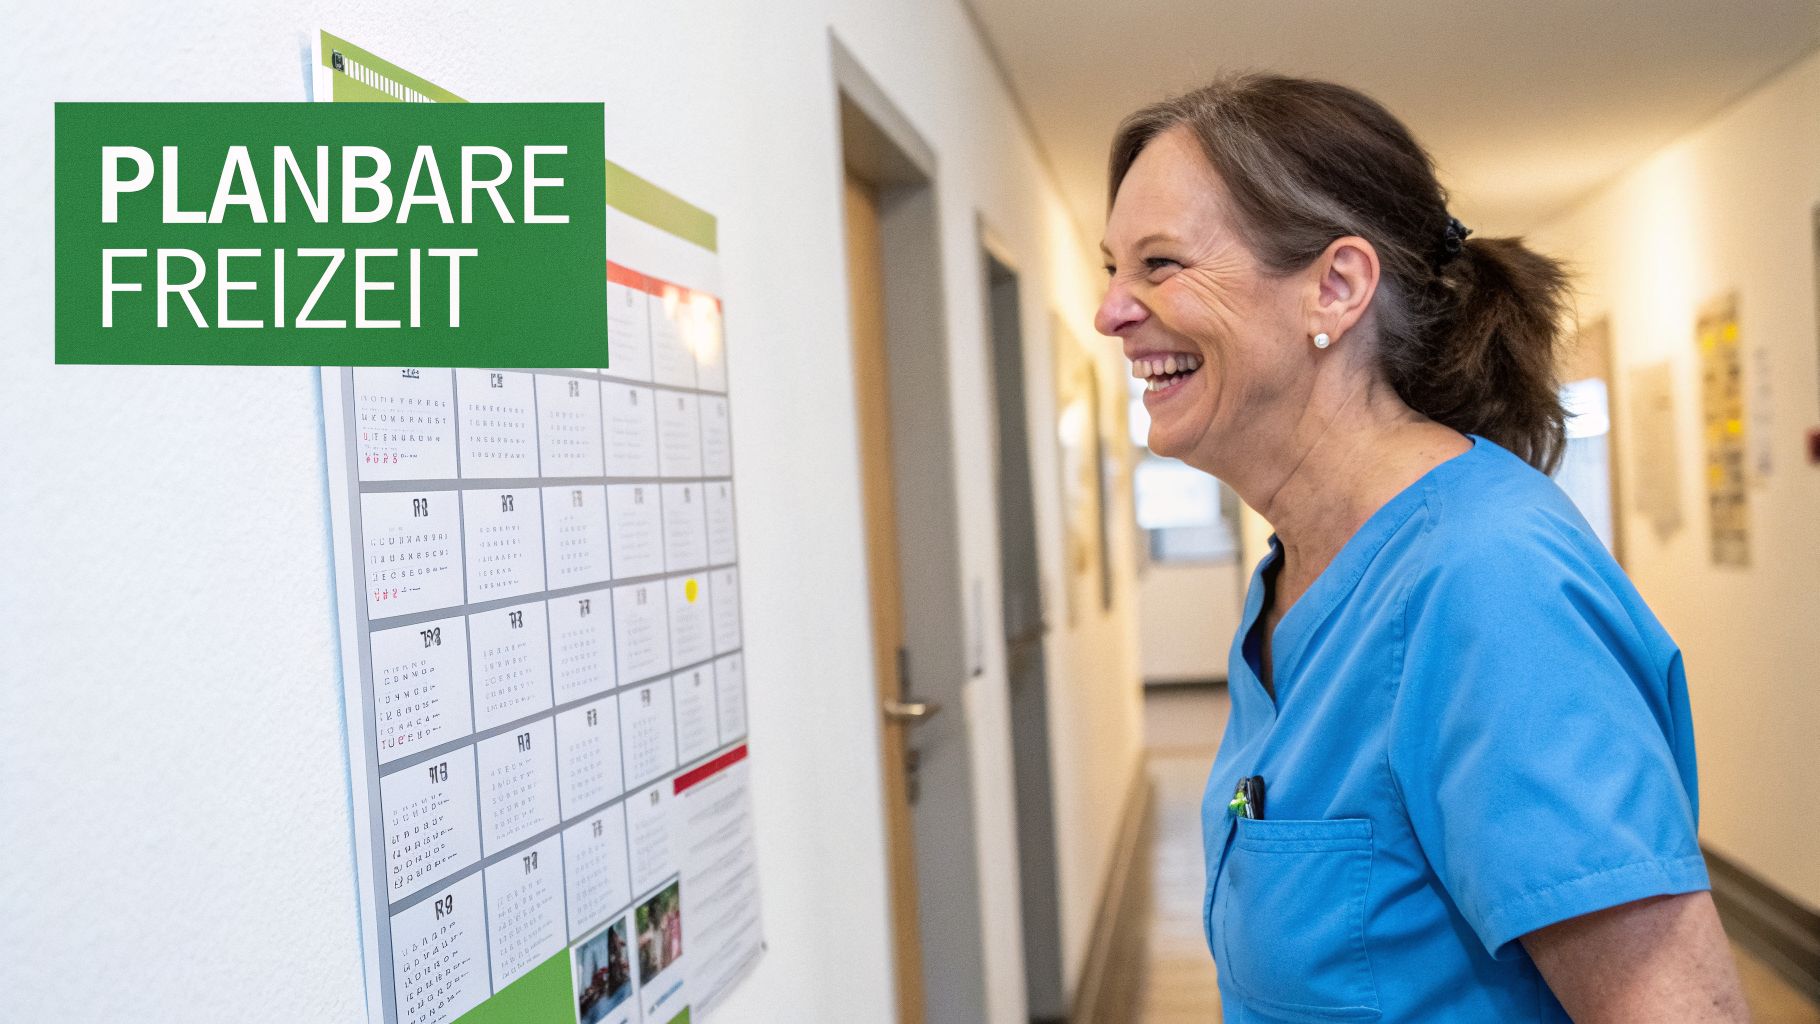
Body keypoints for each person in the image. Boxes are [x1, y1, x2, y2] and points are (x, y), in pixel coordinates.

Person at [1096, 74, 1749, 1022]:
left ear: (1337, 285)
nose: (1113, 311)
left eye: (1159, 264)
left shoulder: (1486, 580)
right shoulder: (1298, 573)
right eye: (1110, 270)